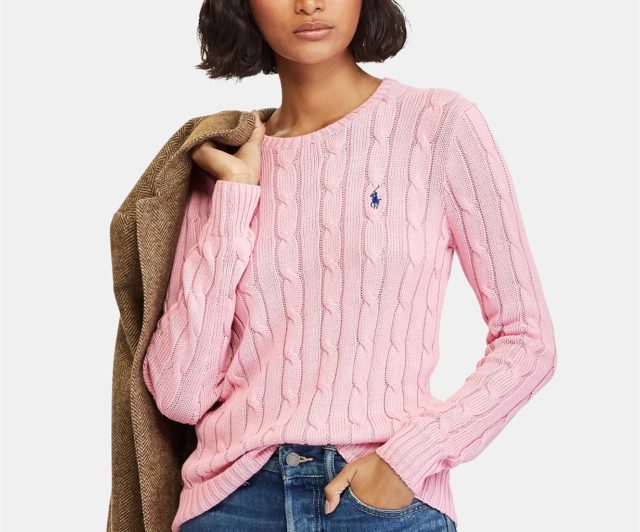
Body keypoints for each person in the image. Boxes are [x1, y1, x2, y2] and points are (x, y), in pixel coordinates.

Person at [141, 1, 557, 531]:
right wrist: (235, 197)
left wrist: (409, 458)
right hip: (234, 504)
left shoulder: (438, 126)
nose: (309, 4)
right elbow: (180, 395)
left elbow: (528, 339)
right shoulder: (223, 161)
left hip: (383, 504)